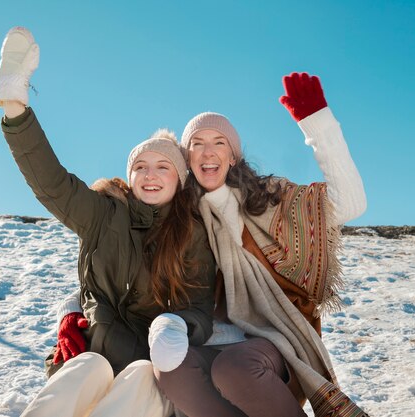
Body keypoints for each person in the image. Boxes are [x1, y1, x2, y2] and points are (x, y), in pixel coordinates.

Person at [0, 27, 217, 417]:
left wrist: (178, 328)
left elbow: (199, 305)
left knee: (143, 375)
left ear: (179, 180)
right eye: (141, 167)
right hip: (94, 350)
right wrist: (16, 111)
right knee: (88, 367)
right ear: (129, 178)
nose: (150, 175)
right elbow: (52, 184)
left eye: (163, 167)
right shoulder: (103, 213)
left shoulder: (192, 233)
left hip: (152, 368)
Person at [152, 73, 369, 416]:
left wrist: (319, 127)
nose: (208, 152)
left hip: (275, 340)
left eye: (219, 142)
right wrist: (75, 307)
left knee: (234, 368)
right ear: (187, 158)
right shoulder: (179, 215)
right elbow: (124, 245)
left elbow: (350, 204)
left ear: (234, 156)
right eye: (197, 143)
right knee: (170, 367)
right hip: (210, 337)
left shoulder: (268, 197)